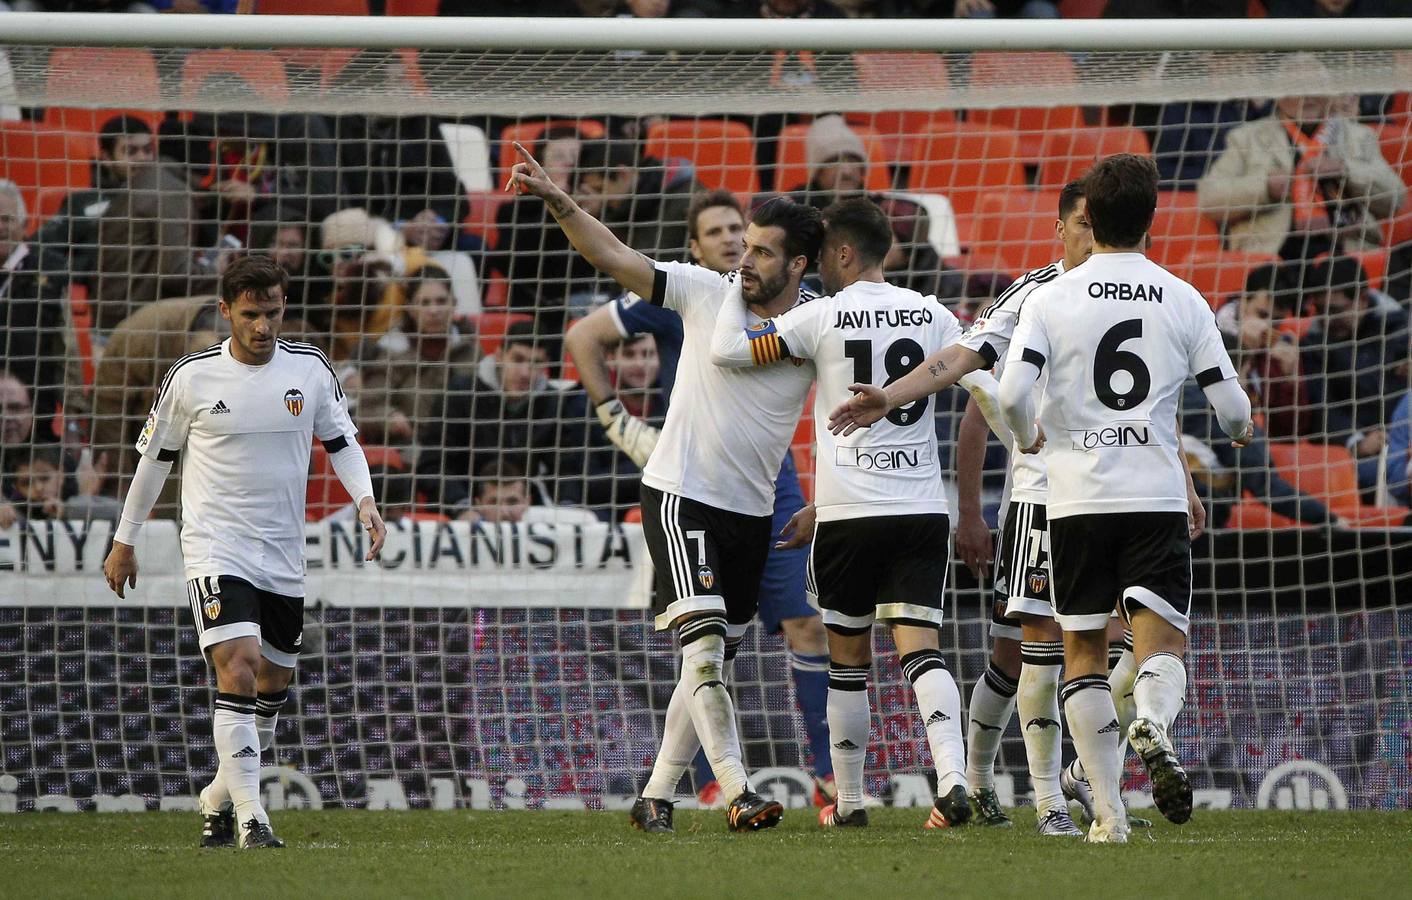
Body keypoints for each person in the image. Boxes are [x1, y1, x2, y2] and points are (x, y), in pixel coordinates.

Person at [510, 142, 825, 834]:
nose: (745, 259)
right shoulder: (705, 291)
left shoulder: (817, 325)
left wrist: (822, 502)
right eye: (743, 246)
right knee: (706, 648)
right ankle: (739, 792)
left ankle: (655, 795)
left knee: (706, 663)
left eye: (762, 251)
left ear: (798, 266)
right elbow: (615, 257)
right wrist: (563, 202)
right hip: (681, 493)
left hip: (753, 511)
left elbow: (847, 419)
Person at [709, 197, 1007, 830]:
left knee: (848, 661)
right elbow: (976, 369)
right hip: (921, 509)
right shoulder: (931, 313)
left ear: (842, 254)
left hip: (848, 515)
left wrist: (738, 282)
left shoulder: (817, 316)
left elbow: (733, 351)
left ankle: (848, 803)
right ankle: (952, 782)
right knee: (923, 653)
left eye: (823, 256)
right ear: (886, 251)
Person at [996, 154, 1252, 842]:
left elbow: (1013, 395)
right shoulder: (1182, 296)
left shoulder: (1050, 298)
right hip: (1154, 493)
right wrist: (1242, 431)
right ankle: (1154, 721)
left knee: (1079, 650)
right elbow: (1231, 410)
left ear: (1087, 219)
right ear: (1153, 217)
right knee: (1160, 643)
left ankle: (1109, 816)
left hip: (1075, 499)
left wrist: (1026, 436)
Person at [101, 255, 388, 850]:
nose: (263, 327)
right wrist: (124, 539)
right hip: (214, 543)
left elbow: (343, 442)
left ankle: (218, 796)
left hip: (282, 549)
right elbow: (154, 461)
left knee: (274, 681)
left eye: (273, 313)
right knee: (238, 661)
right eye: (251, 314)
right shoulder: (191, 377)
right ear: (226, 311)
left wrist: (365, 501)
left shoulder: (309, 369)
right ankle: (253, 818)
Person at [1196, 53, 1404, 259]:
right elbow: (1209, 198)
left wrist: (1346, 170)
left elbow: (1396, 198)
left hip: (1346, 248)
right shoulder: (1247, 138)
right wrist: (1265, 188)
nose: (1307, 96)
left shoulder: (1359, 136)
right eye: (1296, 87)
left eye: (1315, 86)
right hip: (1273, 251)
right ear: (1277, 94)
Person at [1299, 255, 1409, 489]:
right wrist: (1357, 442)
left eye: (1335, 310)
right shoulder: (1313, 347)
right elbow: (1321, 407)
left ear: (1363, 300)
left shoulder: (1401, 331)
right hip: (1358, 456)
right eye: (1320, 309)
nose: (1328, 319)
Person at [37, 113, 157, 289]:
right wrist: (89, 270)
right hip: (104, 300)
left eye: (148, 150)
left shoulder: (170, 197)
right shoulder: (82, 204)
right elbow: (37, 250)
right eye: (131, 151)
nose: (142, 159)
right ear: (107, 158)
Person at [0, 179, 67, 431]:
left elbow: (65, 348)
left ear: (24, 224)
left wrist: (73, 412)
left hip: (35, 410)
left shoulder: (51, 269)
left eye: (7, 219)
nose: (1, 227)